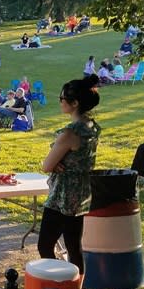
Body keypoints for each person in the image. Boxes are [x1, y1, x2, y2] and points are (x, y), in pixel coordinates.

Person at [38, 75, 102, 276]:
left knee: (45, 245)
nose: (60, 102)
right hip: (82, 192)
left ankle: (60, 281)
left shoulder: (69, 133)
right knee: (74, 246)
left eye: (62, 98)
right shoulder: (91, 126)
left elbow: (47, 165)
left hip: (63, 195)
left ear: (74, 103)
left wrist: (55, 163)